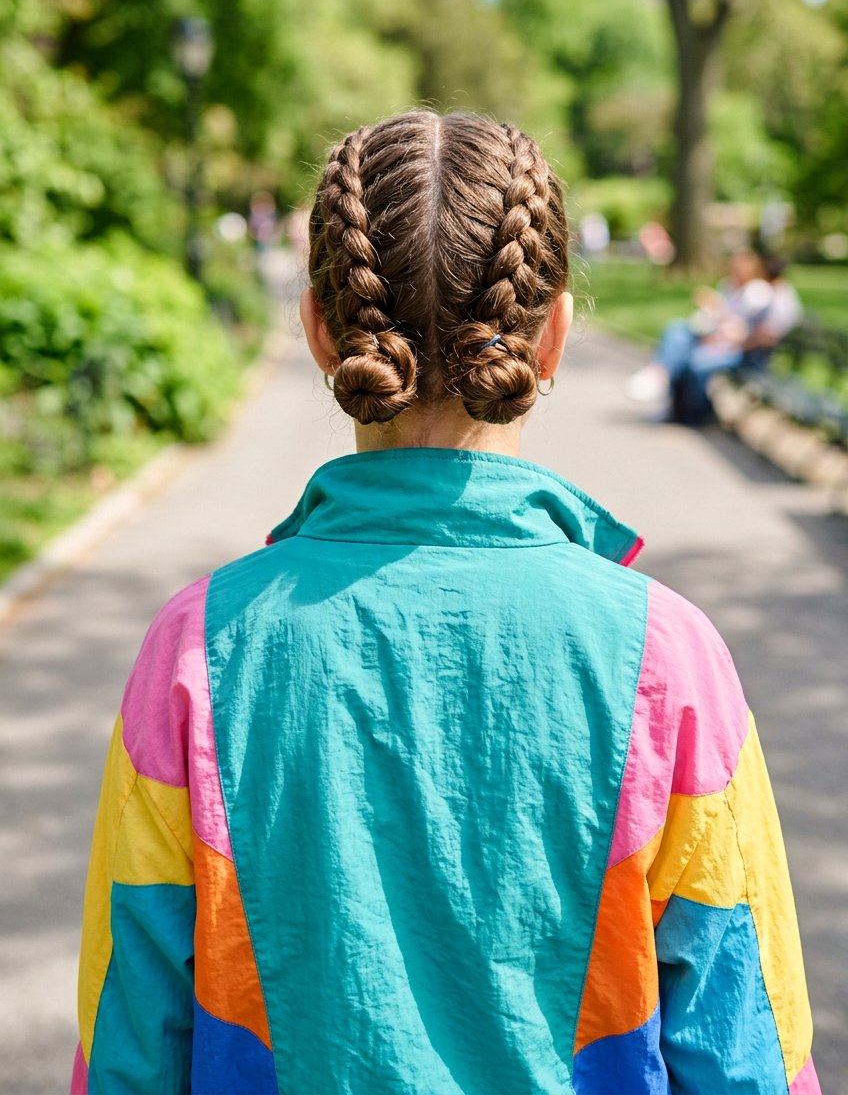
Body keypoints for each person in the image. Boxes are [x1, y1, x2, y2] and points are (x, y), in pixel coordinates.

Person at [71, 112, 819, 1094]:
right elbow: (745, 1055)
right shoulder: (669, 659)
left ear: (317, 330)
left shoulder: (193, 653)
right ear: (553, 336)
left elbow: (128, 1051)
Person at [626, 248, 774, 423]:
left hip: (738, 350)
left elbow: (751, 333)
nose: (736, 272)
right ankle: (662, 379)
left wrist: (719, 322)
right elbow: (720, 317)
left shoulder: (758, 293)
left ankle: (693, 411)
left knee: (696, 360)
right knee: (677, 330)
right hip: (715, 338)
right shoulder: (729, 287)